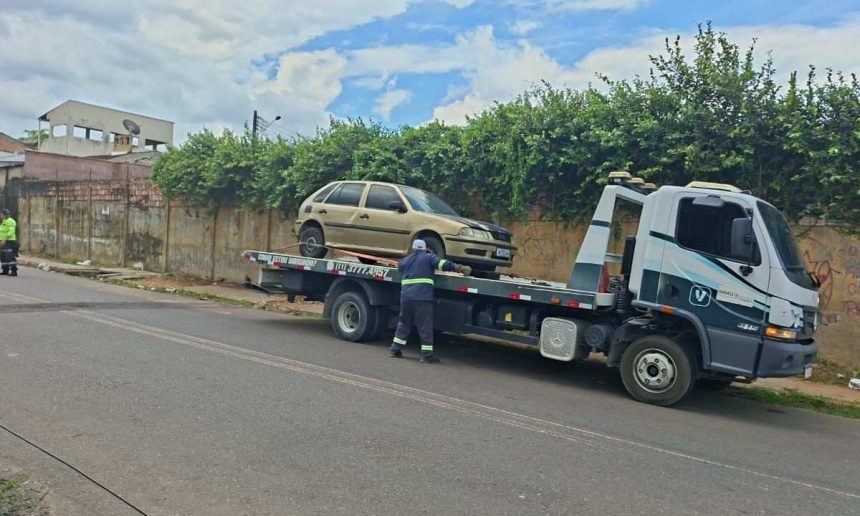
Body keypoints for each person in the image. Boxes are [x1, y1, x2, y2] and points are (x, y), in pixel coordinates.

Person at [389, 239, 471, 363]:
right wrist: (460, 268)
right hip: (422, 298)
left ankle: (395, 349)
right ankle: (426, 355)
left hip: (406, 298)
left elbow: (400, 266)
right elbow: (444, 264)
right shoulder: (428, 258)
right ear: (425, 249)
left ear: (413, 248)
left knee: (404, 324)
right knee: (424, 326)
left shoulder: (406, 260)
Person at [0, 208, 18, 276]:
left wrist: (4, 240)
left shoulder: (11, 221)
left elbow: (11, 232)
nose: (0, 216)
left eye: (1, 214)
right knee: (3, 256)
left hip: (9, 241)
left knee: (10, 256)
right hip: (3, 241)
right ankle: (5, 270)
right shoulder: (4, 221)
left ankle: (14, 271)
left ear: (4, 215)